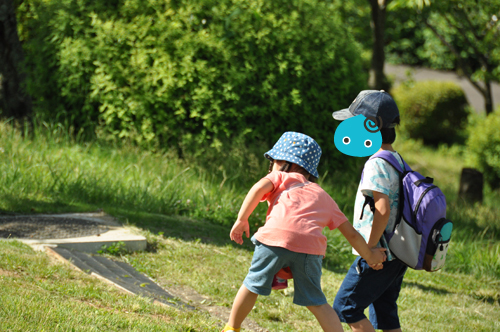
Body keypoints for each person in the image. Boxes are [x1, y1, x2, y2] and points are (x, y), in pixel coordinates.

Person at [222, 131, 386, 332]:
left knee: (252, 285)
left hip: (274, 240)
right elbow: (351, 233)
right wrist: (370, 256)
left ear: (285, 162)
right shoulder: (323, 196)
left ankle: (232, 328)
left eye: (273, 161)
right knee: (317, 302)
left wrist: (242, 219)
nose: (271, 166)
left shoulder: (279, 176)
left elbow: (258, 188)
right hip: (310, 250)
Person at [332, 90, 407, 332]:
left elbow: (382, 210)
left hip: (380, 252)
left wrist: (370, 250)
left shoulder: (376, 163)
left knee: (345, 307)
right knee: (384, 311)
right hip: (397, 253)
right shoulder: (397, 160)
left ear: (371, 126)